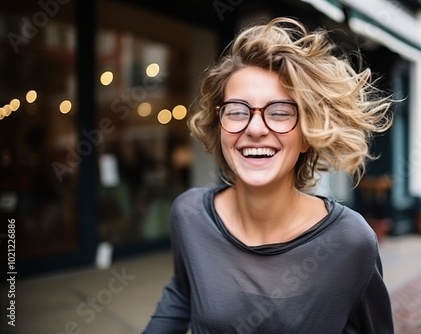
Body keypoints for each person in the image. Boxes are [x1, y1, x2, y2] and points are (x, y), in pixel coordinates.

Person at [142, 17, 394, 334]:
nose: (256, 128)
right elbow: (182, 294)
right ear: (220, 128)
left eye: (279, 112)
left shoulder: (351, 242)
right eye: (237, 111)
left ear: (306, 135)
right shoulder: (189, 214)